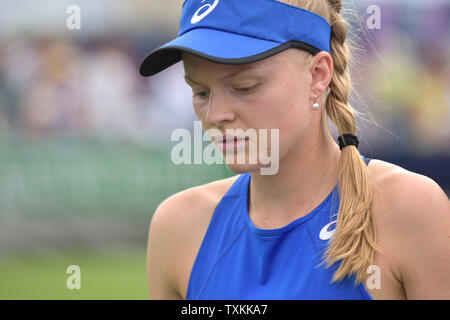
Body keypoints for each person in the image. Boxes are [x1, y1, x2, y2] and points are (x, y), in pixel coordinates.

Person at [140, 0, 450, 300]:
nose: (215, 114)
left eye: (244, 87)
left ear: (318, 75)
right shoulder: (178, 227)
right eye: (201, 92)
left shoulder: (410, 210)